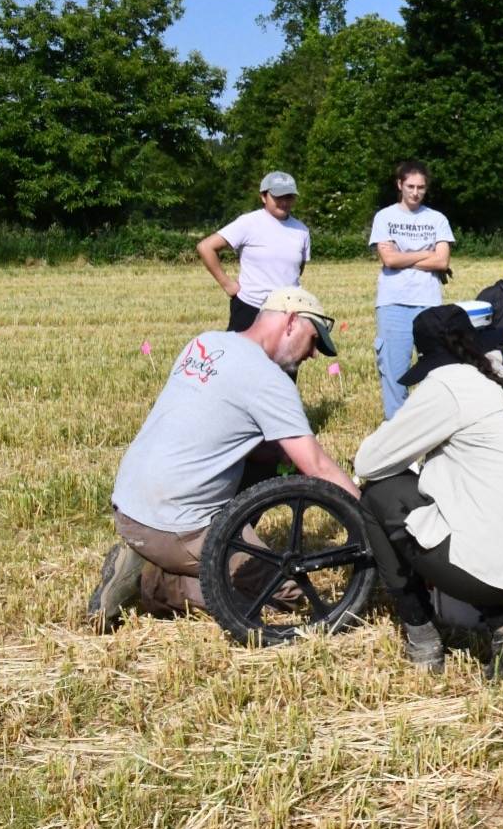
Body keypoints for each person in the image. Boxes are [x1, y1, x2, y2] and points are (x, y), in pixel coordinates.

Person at [87, 288, 359, 629]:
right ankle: (150, 582)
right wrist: (370, 521)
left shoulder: (206, 343)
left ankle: (147, 555)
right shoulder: (269, 379)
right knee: (282, 594)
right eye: (313, 340)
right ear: (291, 322)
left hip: (129, 504)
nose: (314, 355)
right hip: (174, 525)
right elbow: (316, 467)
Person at [353, 305, 503, 676]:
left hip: (487, 574)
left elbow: (368, 462)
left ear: (428, 357)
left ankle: (422, 637)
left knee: (377, 494)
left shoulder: (445, 385)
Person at [370, 160, 455, 420]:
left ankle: (429, 424)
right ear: (399, 185)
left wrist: (404, 254)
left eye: (421, 187)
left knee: (435, 370)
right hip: (393, 303)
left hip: (428, 302)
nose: (415, 192)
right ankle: (395, 427)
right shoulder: (385, 217)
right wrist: (423, 253)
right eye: (410, 186)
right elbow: (389, 260)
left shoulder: (437, 219)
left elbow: (442, 261)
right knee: (395, 371)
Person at [196, 171, 311, 331]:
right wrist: (227, 284)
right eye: (278, 197)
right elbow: (206, 247)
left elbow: (298, 269)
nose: (284, 202)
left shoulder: (302, 230)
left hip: (288, 310)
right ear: (263, 197)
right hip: (250, 308)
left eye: (289, 197)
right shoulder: (248, 223)